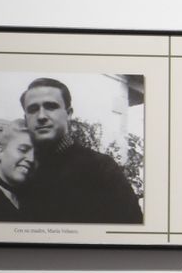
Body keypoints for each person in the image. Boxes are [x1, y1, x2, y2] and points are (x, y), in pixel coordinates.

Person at [17, 77, 142, 223]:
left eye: (51, 106)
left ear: (69, 114)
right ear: (25, 119)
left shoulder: (101, 169)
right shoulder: (19, 170)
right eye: (33, 109)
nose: (41, 116)